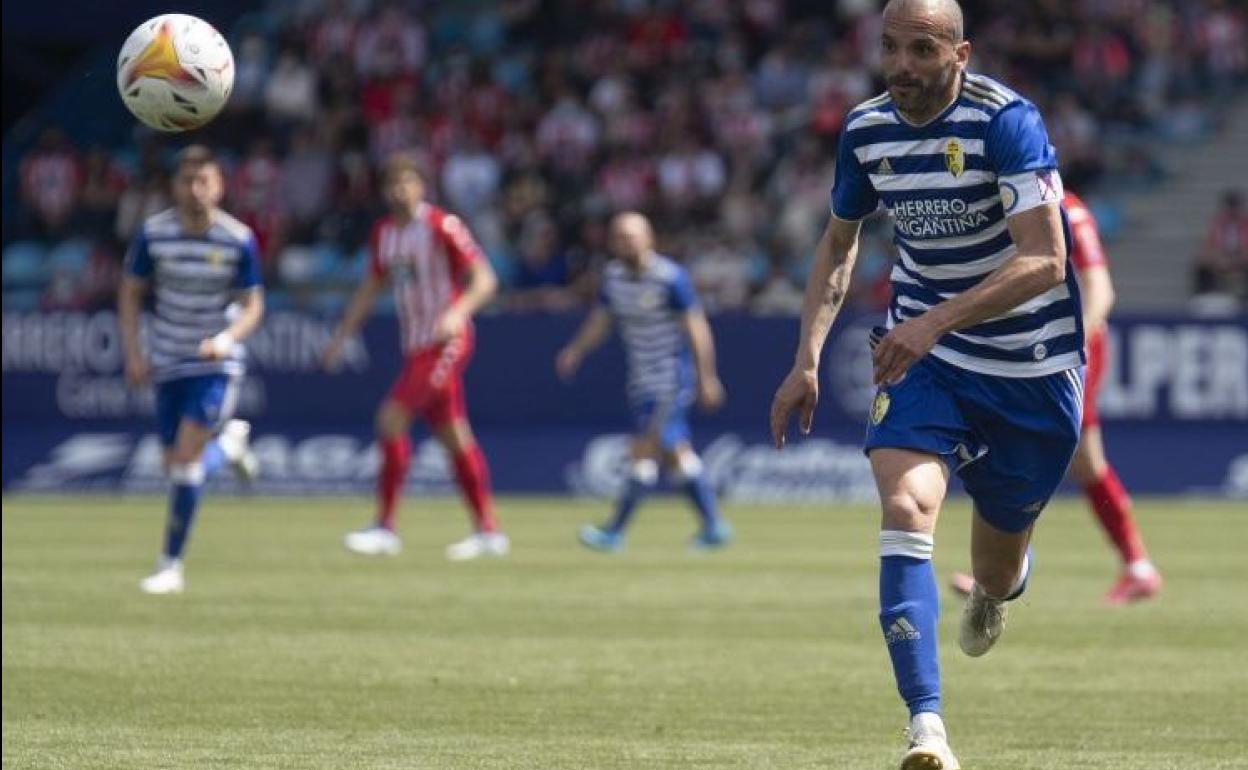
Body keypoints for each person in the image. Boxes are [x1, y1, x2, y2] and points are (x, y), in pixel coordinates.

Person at [768, 1, 1083, 767]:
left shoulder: (1007, 121)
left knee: (1000, 569)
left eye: (920, 49)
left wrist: (936, 320)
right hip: (926, 362)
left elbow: (1047, 260)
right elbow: (840, 245)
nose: (901, 65)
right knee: (906, 503)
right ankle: (927, 728)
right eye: (889, 48)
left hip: (1028, 372)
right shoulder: (866, 129)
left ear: (960, 53)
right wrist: (807, 356)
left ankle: (995, 590)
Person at [951, 191, 1162, 605]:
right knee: (1066, 458)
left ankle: (1014, 563)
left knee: (1069, 455)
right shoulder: (991, 205)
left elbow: (1100, 287)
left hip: (1069, 348)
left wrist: (1077, 340)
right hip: (1021, 346)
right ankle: (1131, 566)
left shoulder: (1067, 207)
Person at [321, 153, 508, 562]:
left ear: (422, 186)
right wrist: (341, 338)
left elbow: (485, 279)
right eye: (393, 184)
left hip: (446, 343)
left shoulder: (442, 226)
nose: (399, 191)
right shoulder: (384, 234)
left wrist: (457, 313)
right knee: (454, 437)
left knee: (391, 418)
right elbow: (371, 288)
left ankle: (385, 527)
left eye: (407, 182)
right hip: (416, 347)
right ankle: (488, 532)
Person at [119, 145, 263, 595]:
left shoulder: (237, 239)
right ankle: (231, 447)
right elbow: (130, 292)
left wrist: (226, 340)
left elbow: (253, 305)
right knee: (177, 465)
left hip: (214, 364)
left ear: (220, 186)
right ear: (174, 186)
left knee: (184, 461)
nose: (195, 189)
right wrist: (133, 352)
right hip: (167, 358)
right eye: (187, 180)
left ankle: (170, 565)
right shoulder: (153, 234)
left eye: (204, 180)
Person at [556, 211, 732, 552]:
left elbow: (696, 328)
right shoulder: (613, 278)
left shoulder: (670, 278)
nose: (627, 243)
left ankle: (614, 531)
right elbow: (601, 321)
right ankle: (714, 526)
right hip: (640, 380)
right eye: (620, 237)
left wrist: (705, 378)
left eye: (632, 236)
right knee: (676, 455)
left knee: (643, 449)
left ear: (649, 239)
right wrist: (575, 350)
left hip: (670, 380)